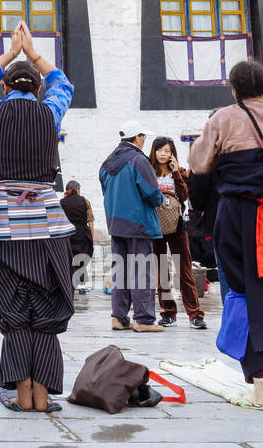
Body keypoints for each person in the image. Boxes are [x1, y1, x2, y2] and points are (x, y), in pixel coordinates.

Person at [188, 60, 263, 408]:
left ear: (233, 88)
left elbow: (199, 163)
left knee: (243, 292)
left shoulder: (223, 118)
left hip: (240, 214)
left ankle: (259, 386)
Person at [0, 21, 75, 412]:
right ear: (38, 88)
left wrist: (11, 52)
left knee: (12, 306)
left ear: (5, 87)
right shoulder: (51, 111)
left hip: (1, 219)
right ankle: (44, 398)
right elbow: (63, 82)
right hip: (48, 220)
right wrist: (33, 53)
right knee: (47, 302)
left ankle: (23, 392)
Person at [100, 122, 165, 333]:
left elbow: (105, 189)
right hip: (138, 223)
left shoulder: (108, 162)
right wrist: (161, 199)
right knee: (141, 272)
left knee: (121, 271)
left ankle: (119, 318)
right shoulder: (138, 160)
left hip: (116, 223)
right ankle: (144, 320)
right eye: (143, 136)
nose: (144, 140)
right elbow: (152, 192)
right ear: (137, 138)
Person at [149, 137, 207, 330]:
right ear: (154, 151)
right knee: (162, 273)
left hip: (177, 227)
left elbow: (184, 196)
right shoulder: (148, 172)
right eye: (160, 150)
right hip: (155, 227)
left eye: (167, 150)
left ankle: (194, 314)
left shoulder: (179, 172)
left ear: (172, 152)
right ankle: (168, 312)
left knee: (184, 271)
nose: (163, 154)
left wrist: (175, 173)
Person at [60, 180, 95, 293]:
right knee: (81, 258)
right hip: (82, 234)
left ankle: (69, 283)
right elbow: (90, 221)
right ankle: (81, 284)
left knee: (69, 258)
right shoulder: (85, 201)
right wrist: (92, 237)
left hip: (67, 235)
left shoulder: (62, 202)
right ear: (77, 189)